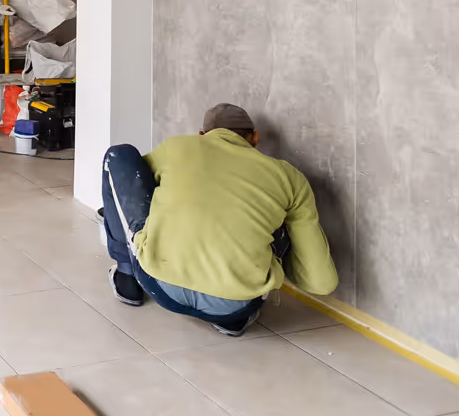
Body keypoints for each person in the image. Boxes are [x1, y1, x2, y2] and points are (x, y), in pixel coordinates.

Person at [101, 102, 338, 336]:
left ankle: (127, 279)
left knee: (119, 155)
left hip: (159, 286)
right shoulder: (289, 177)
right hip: (238, 304)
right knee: (276, 216)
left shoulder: (178, 147)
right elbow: (321, 283)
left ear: (202, 135)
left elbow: (139, 183)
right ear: (255, 138)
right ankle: (233, 321)